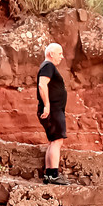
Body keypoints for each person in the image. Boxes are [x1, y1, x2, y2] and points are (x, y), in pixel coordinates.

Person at [37, 43, 68, 185]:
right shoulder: (48, 66)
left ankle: (49, 174)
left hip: (54, 110)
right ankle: (54, 175)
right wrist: (47, 106)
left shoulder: (46, 66)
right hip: (53, 110)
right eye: (60, 53)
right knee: (57, 141)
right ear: (51, 54)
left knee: (53, 141)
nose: (62, 56)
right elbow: (42, 85)